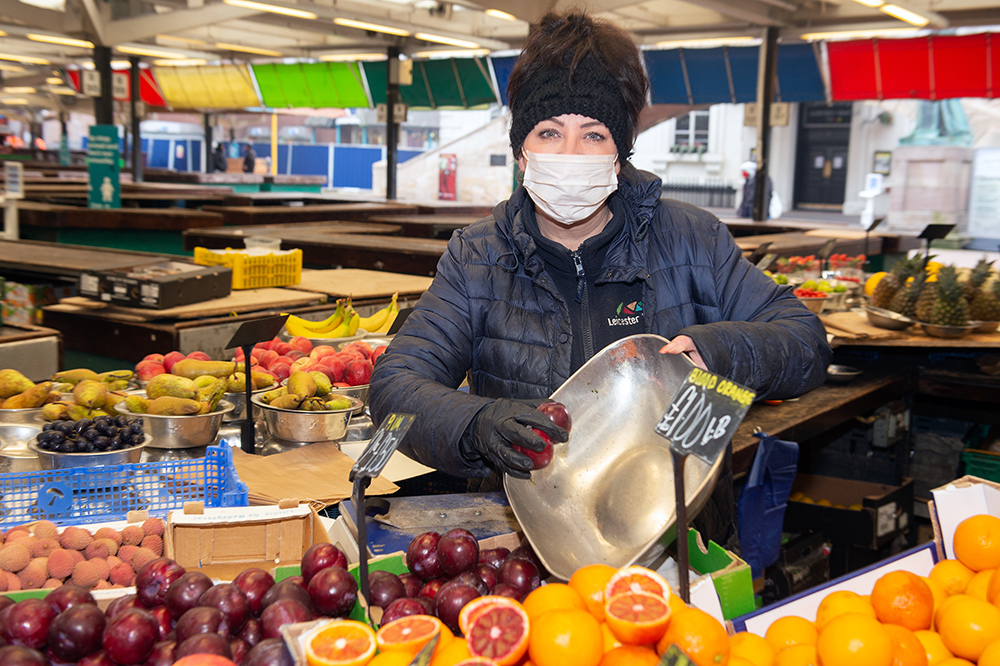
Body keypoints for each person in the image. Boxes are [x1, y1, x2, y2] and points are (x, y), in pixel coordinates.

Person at [369, 11, 831, 549]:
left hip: (681, 538)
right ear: (522, 151)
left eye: (593, 133)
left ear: (619, 152)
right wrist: (477, 425)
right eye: (548, 132)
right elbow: (395, 385)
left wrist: (723, 351)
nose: (569, 155)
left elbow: (806, 341)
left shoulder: (692, 240)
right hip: (529, 543)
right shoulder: (478, 255)